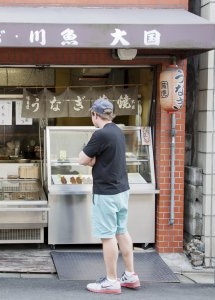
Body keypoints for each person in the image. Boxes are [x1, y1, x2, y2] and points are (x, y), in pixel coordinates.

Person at [78, 98, 140, 294]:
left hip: (106, 192)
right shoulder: (117, 132)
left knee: (107, 236)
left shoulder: (100, 134)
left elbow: (82, 159)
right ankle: (130, 275)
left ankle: (111, 281)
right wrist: (94, 160)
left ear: (95, 115)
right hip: (122, 189)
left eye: (93, 116)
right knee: (122, 231)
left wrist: (92, 161)